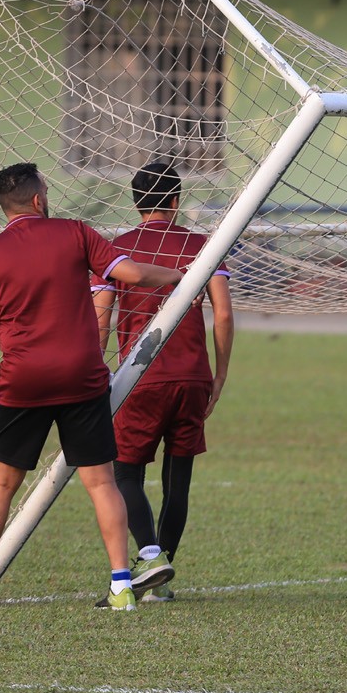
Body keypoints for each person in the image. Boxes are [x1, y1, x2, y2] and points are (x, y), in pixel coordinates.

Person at [0, 162, 183, 611]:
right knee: (101, 483)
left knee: (2, 484)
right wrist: (179, 276)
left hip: (23, 382)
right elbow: (131, 275)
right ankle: (121, 587)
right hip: (82, 377)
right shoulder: (75, 232)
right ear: (39, 199)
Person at [92, 162, 233, 604]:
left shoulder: (117, 249)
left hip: (139, 376)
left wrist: (99, 368)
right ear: (176, 201)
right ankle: (161, 578)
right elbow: (223, 314)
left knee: (124, 473)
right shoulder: (203, 246)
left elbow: (102, 315)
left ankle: (150, 556)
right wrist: (219, 373)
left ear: (136, 203)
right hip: (193, 375)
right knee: (179, 480)